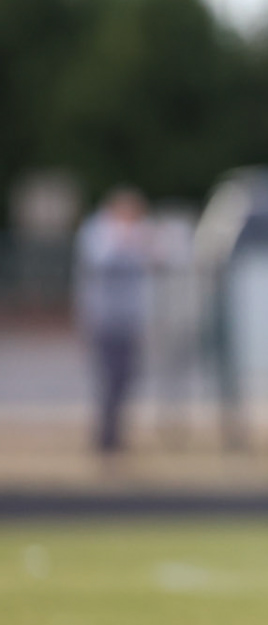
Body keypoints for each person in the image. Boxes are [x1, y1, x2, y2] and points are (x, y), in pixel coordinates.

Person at [73, 187, 154, 454]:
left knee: (127, 378)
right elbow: (101, 261)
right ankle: (106, 439)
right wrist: (123, 238)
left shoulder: (138, 234)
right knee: (108, 378)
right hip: (104, 318)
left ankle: (116, 434)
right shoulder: (97, 232)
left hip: (130, 319)